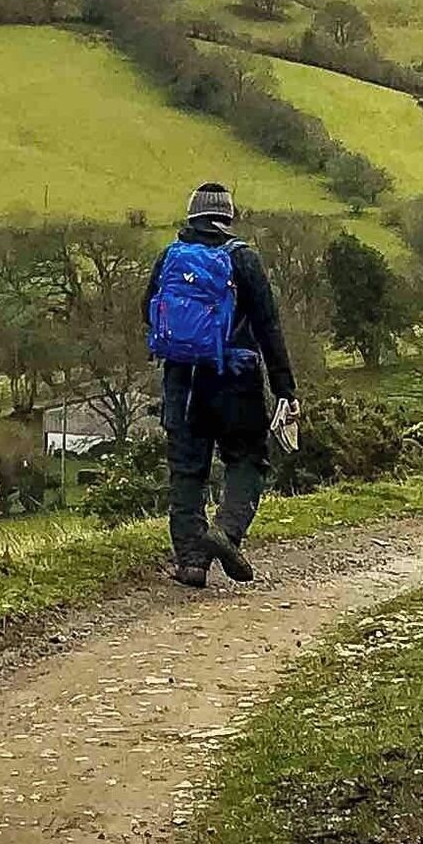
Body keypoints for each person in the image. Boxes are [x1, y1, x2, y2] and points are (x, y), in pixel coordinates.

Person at [149, 180, 295, 587]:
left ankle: (192, 562)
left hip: (183, 381)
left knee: (187, 472)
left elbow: (150, 313)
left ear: (191, 215)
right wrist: (285, 387)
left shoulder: (169, 258)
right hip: (236, 379)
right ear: (228, 217)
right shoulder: (243, 259)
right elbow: (268, 325)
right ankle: (226, 531)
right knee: (248, 459)